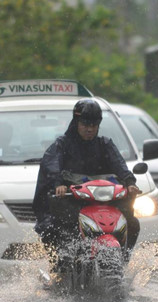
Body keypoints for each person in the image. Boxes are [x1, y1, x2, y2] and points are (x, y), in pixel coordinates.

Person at [32, 99, 141, 265]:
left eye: (94, 125)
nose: (90, 129)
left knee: (133, 224)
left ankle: (124, 261)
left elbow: (120, 165)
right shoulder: (62, 145)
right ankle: (59, 267)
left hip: (105, 204)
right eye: (85, 124)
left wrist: (129, 182)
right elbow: (52, 164)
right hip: (72, 204)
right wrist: (58, 184)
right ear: (76, 122)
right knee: (50, 228)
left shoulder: (105, 144)